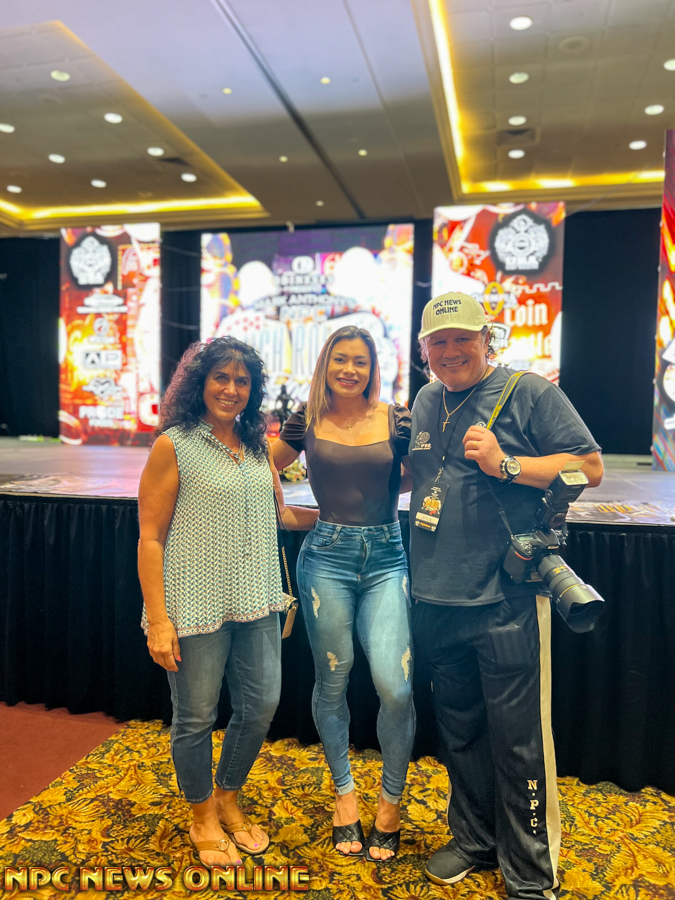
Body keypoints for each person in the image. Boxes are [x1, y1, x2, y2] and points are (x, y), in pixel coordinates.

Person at [408, 292, 603, 898]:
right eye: (438, 342)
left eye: (462, 339)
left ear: (486, 339)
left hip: (505, 599)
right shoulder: (426, 399)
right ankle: (475, 840)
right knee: (460, 733)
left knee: (519, 743)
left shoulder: (529, 391)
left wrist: (508, 465)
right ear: (424, 350)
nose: (451, 351)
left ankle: (529, 872)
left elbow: (590, 468)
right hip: (435, 597)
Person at [138, 337, 318, 868]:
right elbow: (150, 539)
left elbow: (279, 515)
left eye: (243, 380)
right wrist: (158, 621)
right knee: (195, 718)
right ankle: (202, 815)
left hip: (257, 601)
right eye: (221, 377)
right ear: (200, 382)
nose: (231, 389)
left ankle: (227, 796)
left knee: (260, 707)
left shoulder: (258, 445)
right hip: (193, 608)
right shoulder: (173, 445)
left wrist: (349, 516)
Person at [273, 325, 415, 863]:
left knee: (395, 687)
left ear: (373, 368)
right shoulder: (306, 418)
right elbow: (260, 464)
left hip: (386, 556)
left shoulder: (396, 419)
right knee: (332, 679)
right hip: (325, 559)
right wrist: (285, 512)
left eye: (360, 361)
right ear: (325, 365)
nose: (349, 369)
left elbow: (414, 477)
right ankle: (345, 793)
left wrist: (382, 483)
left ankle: (390, 801)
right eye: (340, 360)